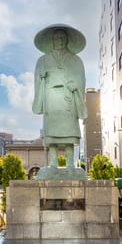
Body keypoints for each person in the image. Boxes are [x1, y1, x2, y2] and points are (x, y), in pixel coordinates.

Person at [32, 24, 88, 168]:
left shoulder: (75, 60)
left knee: (69, 134)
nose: (60, 41)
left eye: (63, 38)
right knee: (52, 135)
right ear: (52, 40)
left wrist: (75, 86)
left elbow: (81, 80)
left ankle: (70, 163)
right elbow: (37, 79)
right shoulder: (43, 60)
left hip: (68, 99)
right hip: (51, 99)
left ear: (67, 40)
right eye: (57, 38)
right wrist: (41, 77)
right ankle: (53, 164)